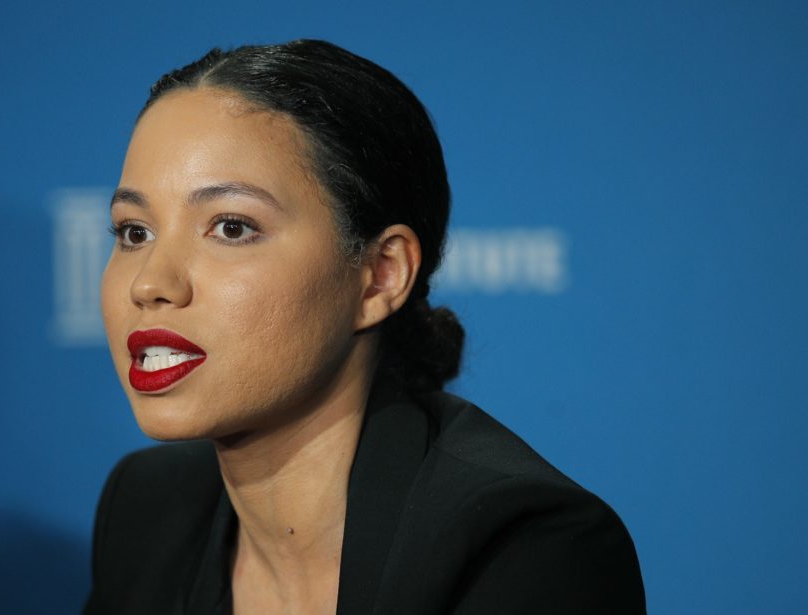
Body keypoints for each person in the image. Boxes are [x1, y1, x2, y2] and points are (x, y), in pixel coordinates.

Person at [84, 39, 645, 614]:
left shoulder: (523, 546)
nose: (150, 283)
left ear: (380, 275)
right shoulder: (147, 510)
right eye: (133, 232)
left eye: (231, 227)